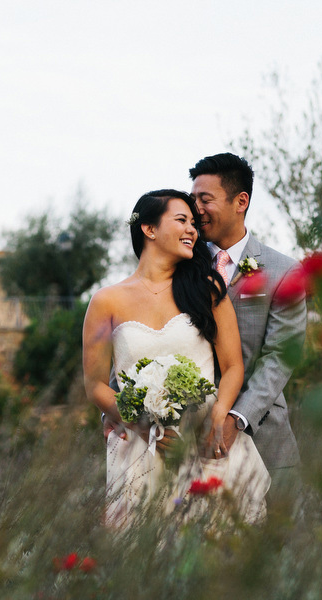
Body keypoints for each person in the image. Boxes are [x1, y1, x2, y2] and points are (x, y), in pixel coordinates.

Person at [83, 190, 269, 526]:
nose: (193, 230)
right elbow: (95, 384)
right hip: (142, 449)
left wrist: (216, 417)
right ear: (149, 230)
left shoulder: (207, 290)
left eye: (194, 224)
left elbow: (232, 367)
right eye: (182, 220)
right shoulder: (106, 302)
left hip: (205, 444)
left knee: (221, 551)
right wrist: (140, 424)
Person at [189, 152, 307, 499]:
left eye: (204, 199)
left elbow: (280, 356)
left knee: (276, 543)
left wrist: (236, 417)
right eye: (192, 198)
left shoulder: (284, 271)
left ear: (241, 201)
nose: (195, 209)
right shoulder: (182, 266)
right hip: (185, 437)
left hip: (263, 434)